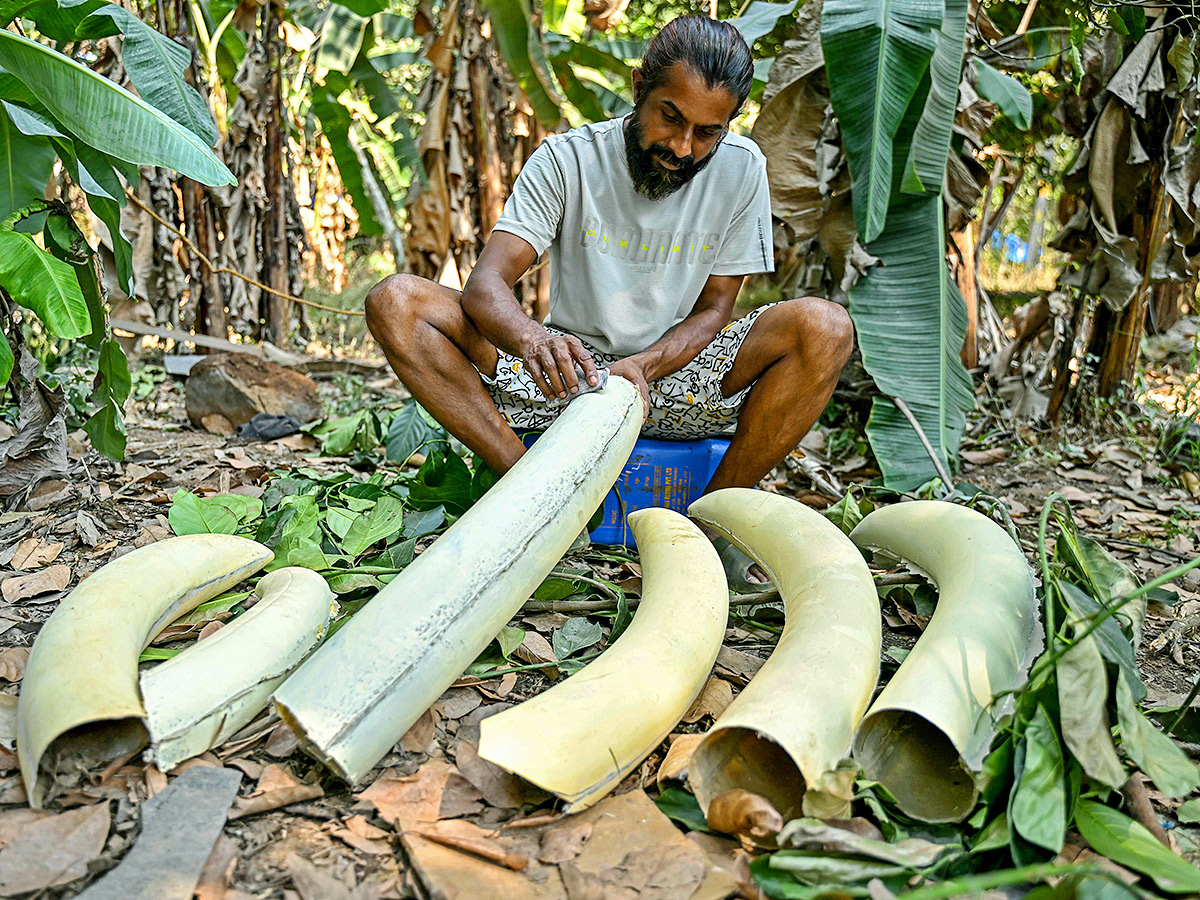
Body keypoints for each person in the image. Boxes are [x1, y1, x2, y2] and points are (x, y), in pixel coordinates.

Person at [365, 15, 853, 571]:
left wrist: (648, 364)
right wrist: (532, 339)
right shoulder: (568, 159)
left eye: (707, 133)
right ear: (640, 84)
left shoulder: (742, 170)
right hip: (568, 374)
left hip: (679, 374)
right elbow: (486, 285)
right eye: (670, 117)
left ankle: (708, 527)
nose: (683, 147)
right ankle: (533, 495)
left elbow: (717, 307)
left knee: (826, 325)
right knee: (396, 300)